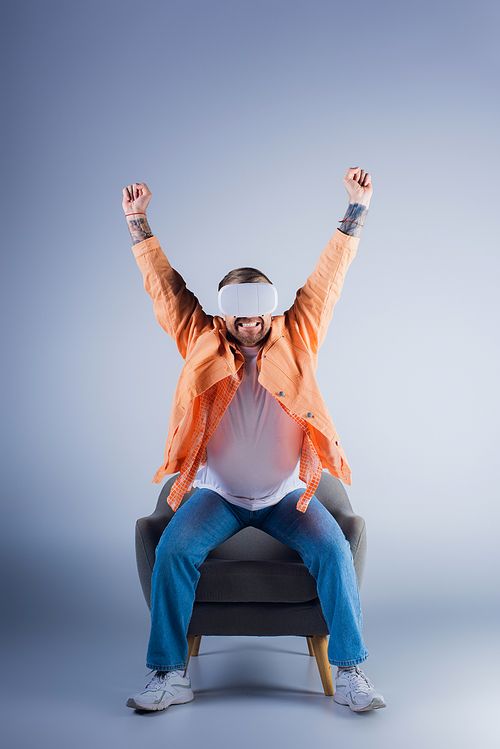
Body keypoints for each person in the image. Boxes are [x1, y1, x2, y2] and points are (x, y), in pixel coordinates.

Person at [122, 168, 386, 713]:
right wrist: (138, 223)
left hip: (286, 496)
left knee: (335, 550)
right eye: (237, 312)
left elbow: (328, 278)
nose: (247, 323)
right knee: (173, 549)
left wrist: (355, 209)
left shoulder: (298, 335)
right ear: (226, 310)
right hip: (216, 495)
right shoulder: (202, 339)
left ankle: (352, 672)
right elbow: (167, 292)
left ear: (270, 307)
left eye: (257, 310)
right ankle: (169, 675)